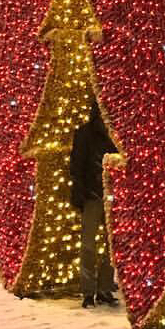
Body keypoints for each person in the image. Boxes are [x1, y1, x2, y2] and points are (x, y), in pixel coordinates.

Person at [70, 102, 119, 309]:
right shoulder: (85, 134)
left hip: (110, 196)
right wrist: (80, 192)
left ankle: (105, 288)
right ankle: (88, 291)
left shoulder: (115, 134)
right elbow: (77, 164)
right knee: (89, 245)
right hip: (92, 194)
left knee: (111, 245)